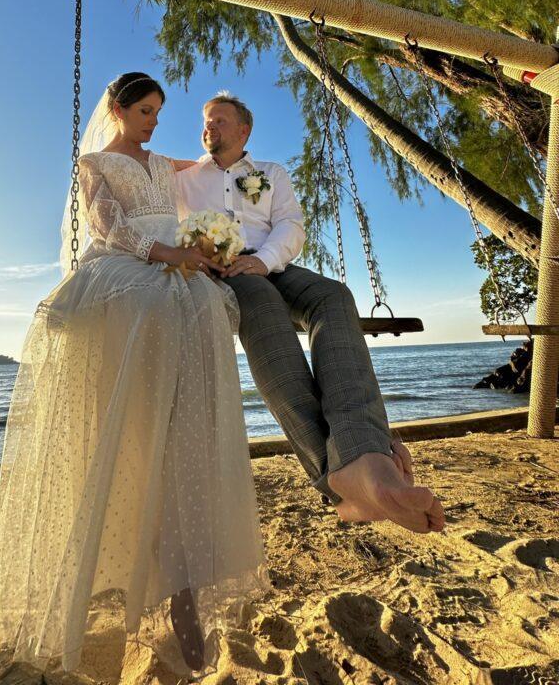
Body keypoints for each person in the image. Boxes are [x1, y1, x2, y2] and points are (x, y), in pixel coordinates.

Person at [0, 73, 269, 682]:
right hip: (133, 266)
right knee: (155, 327)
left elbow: (219, 165)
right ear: (116, 108)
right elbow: (109, 227)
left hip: (183, 275)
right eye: (143, 110)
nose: (153, 121)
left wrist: (234, 174)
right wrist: (173, 256)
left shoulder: (166, 162)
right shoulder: (95, 164)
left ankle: (184, 580)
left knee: (204, 324)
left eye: (159, 111)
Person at [177, 92, 446, 535]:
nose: (210, 129)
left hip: (270, 262)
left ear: (244, 131)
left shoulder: (271, 173)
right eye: (206, 122)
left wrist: (263, 260)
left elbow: (290, 225)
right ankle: (365, 465)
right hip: (223, 273)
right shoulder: (185, 178)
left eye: (220, 121)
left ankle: (353, 469)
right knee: (261, 303)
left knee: (334, 296)